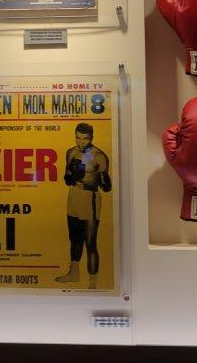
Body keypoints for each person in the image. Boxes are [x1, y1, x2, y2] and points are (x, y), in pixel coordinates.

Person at [55, 122, 111, 289]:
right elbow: (66, 179)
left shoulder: (99, 156)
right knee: (74, 238)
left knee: (90, 241)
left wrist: (103, 179)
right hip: (73, 195)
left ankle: (93, 283)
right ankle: (74, 273)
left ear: (91, 138)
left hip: (90, 197)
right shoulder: (71, 152)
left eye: (84, 139)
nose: (80, 142)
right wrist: (73, 176)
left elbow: (107, 188)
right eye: (78, 138)